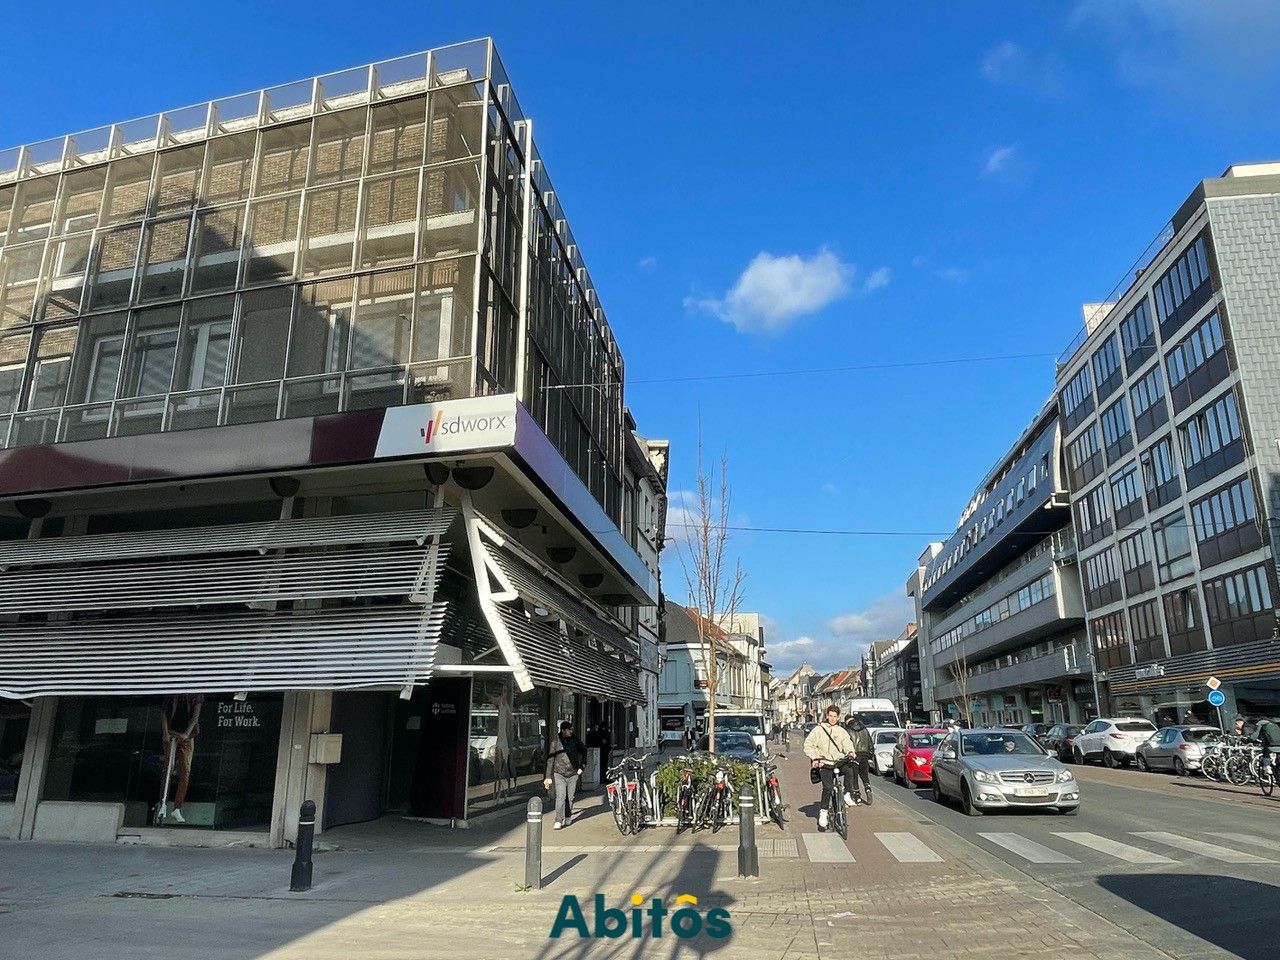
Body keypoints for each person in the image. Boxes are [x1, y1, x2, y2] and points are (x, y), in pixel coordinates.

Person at [804, 705, 857, 830]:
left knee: (850, 770)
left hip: (838, 761)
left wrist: (850, 752)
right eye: (830, 716)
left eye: (835, 717)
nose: (833, 719)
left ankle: (847, 794)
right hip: (824, 762)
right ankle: (823, 813)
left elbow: (847, 743)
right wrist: (815, 757)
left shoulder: (841, 731)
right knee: (827, 788)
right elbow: (808, 744)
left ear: (838, 717)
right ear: (827, 716)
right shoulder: (818, 730)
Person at [159, 694, 204, 824]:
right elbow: (163, 712)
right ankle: (163, 803)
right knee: (168, 769)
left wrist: (187, 734)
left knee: (185, 771)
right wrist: (165, 733)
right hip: (172, 732)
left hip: (187, 736)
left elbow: (195, 716)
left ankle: (177, 808)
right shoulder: (173, 693)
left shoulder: (196, 695)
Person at [543, 721, 586, 830]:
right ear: (563, 730)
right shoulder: (555, 742)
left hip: (573, 773)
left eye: (571, 729)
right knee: (560, 797)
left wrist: (582, 767)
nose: (571, 731)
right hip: (559, 773)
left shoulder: (575, 740)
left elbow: (584, 751)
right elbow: (550, 759)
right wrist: (548, 776)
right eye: (569, 729)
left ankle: (568, 815)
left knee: (570, 797)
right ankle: (558, 820)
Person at [844, 715, 874, 804]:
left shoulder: (847, 730)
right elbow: (870, 743)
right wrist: (870, 754)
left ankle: (857, 797)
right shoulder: (864, 729)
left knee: (854, 777)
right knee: (865, 775)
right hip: (864, 755)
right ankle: (868, 789)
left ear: (846, 722)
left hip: (854, 755)